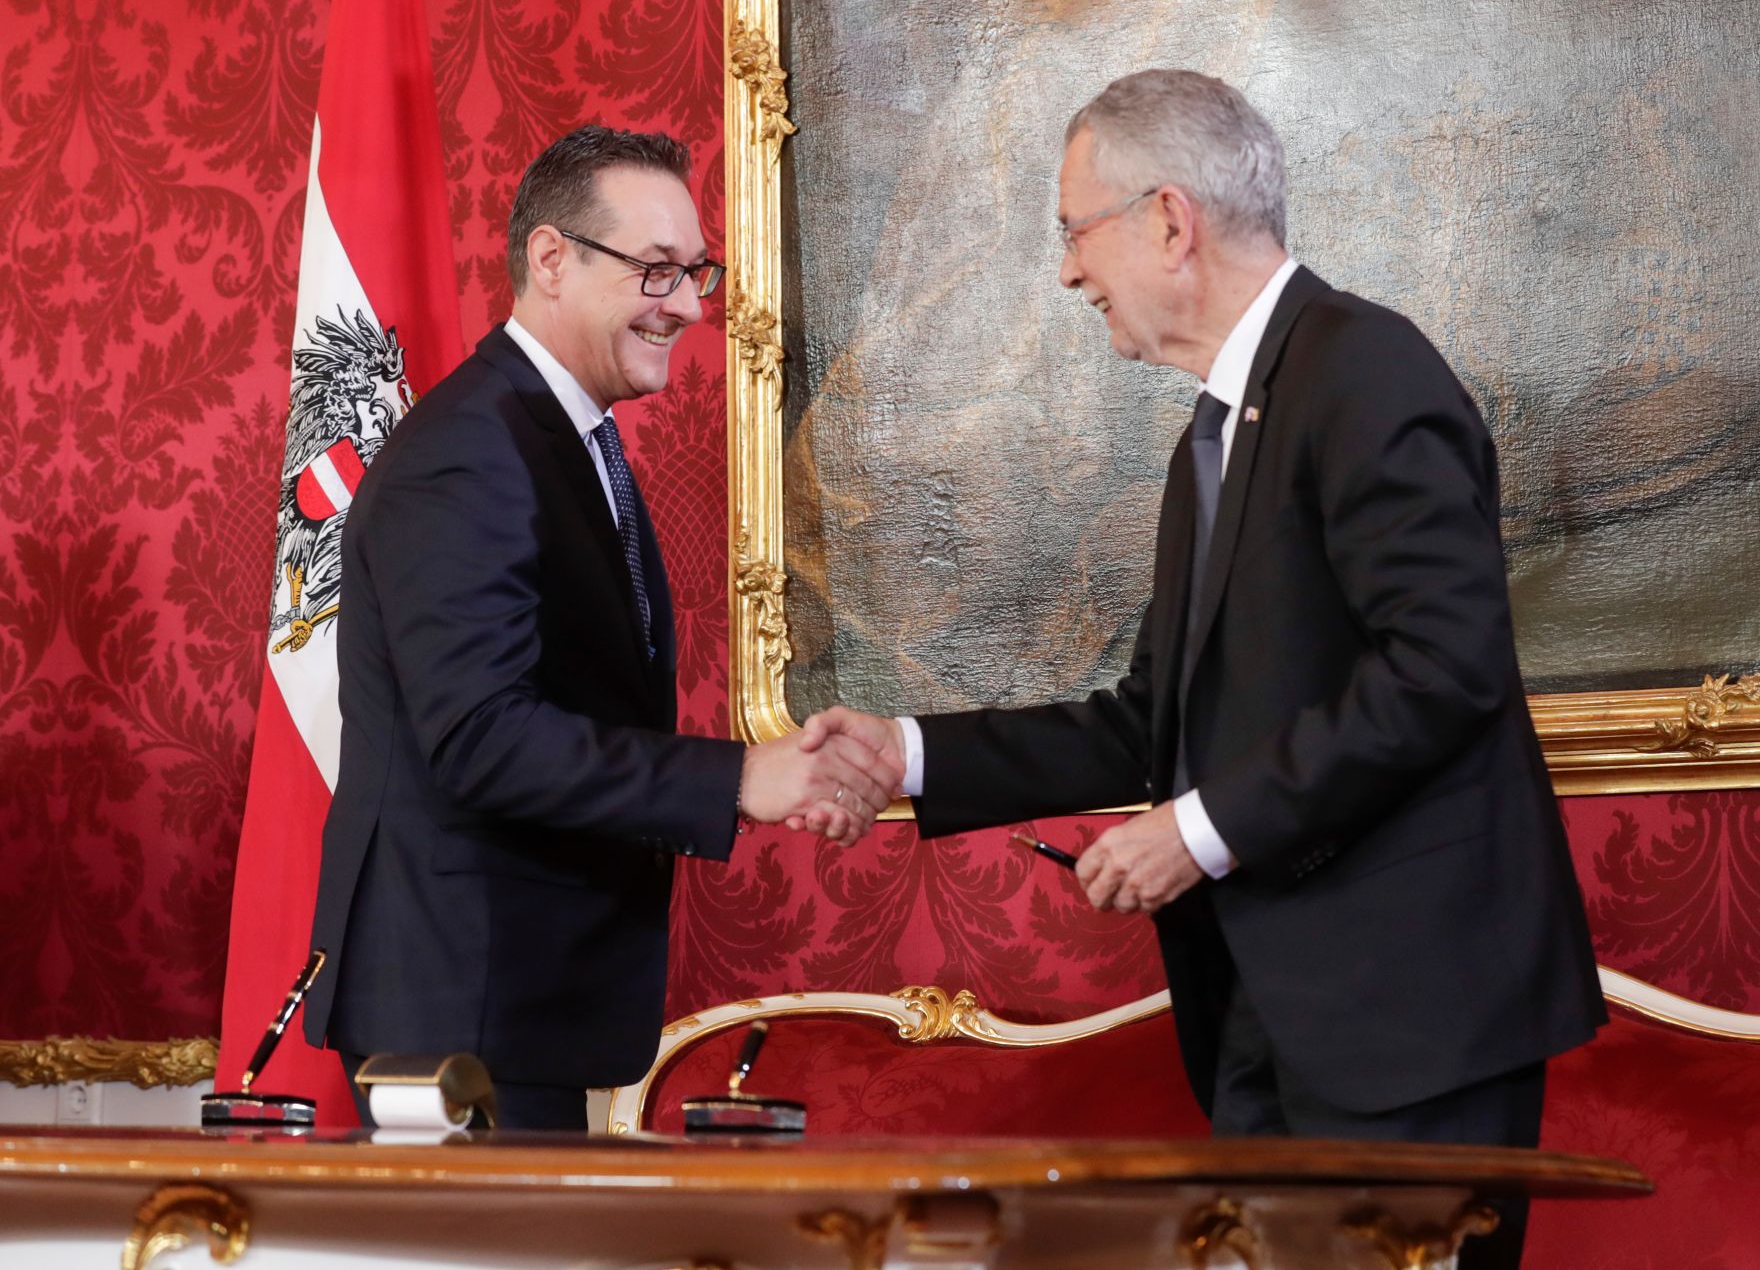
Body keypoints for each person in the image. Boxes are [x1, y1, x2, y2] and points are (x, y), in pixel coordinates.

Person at [807, 70, 1603, 1269]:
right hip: (1270, 1018)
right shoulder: (1213, 435)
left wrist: (1199, 830)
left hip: (1406, 1021)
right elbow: (1152, 721)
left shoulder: (1364, 370)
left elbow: (1443, 668)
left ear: (1167, 220)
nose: (1067, 272)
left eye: (1073, 231)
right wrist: (905, 753)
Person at [304, 126, 896, 1129]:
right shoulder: (470, 449)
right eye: (656, 271)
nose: (690, 307)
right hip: (460, 1008)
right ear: (551, 260)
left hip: (516, 1001)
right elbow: (481, 737)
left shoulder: (556, 435)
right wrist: (736, 779)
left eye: (696, 273)